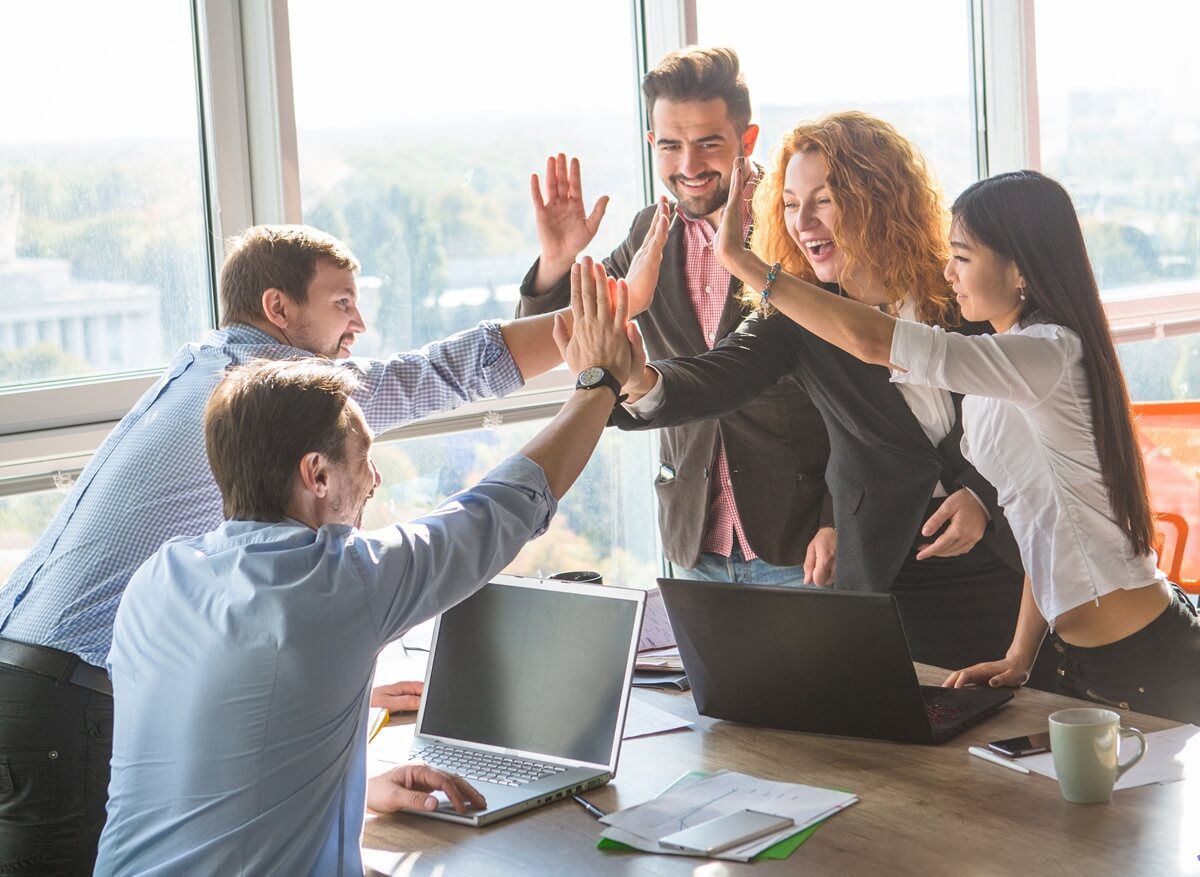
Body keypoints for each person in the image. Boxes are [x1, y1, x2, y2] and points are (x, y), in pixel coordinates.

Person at [0, 224, 611, 876]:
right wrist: (601, 335)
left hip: (33, 674)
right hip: (67, 702)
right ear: (278, 309)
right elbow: (453, 420)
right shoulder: (271, 397)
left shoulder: (202, 394)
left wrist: (329, 700)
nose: (360, 325)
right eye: (342, 303)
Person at [710, 161, 1200, 722]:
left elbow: (875, 340)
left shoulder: (1047, 355)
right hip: (1078, 655)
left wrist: (749, 267)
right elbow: (1040, 523)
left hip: (1142, 656)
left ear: (1021, 270)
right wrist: (1019, 655)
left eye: (962, 257)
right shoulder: (1009, 361)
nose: (948, 274)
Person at [607, 112, 1032, 673]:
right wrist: (637, 379)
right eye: (788, 203)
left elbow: (1033, 406)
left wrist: (980, 492)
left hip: (1007, 566)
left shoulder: (963, 288)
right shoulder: (794, 315)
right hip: (886, 576)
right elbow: (713, 377)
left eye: (824, 200)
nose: (803, 222)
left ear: (879, 197)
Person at [518, 46, 834, 588]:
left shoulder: (797, 229)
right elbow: (559, 338)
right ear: (652, 145)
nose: (688, 166)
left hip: (799, 541)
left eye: (708, 144)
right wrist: (556, 260)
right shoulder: (649, 234)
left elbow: (859, 393)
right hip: (695, 540)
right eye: (671, 146)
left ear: (747, 141)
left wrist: (836, 520)